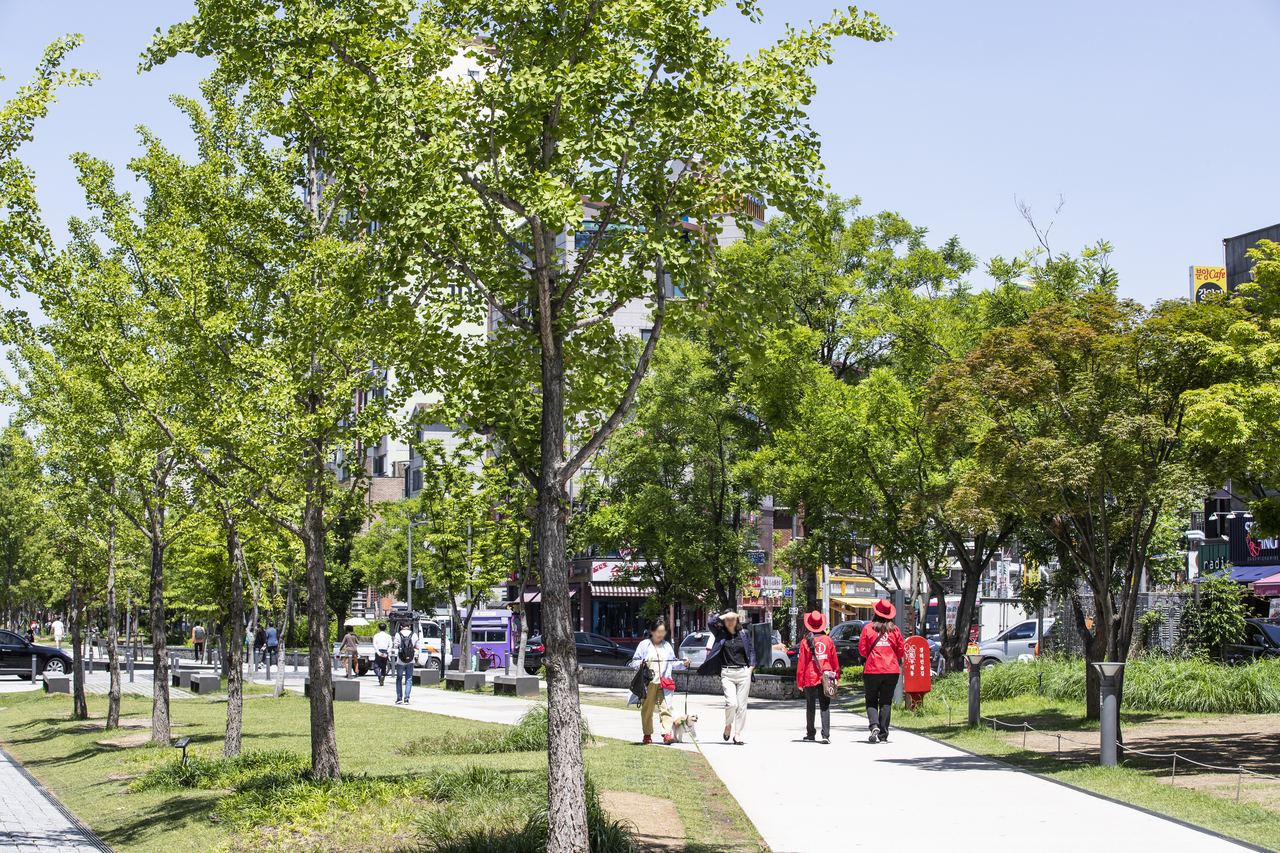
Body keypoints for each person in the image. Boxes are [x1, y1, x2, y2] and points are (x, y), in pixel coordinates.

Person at [697, 610, 755, 745]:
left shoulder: (743, 634)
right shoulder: (720, 634)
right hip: (727, 673)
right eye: (727, 619)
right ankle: (728, 724)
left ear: (737, 620)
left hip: (743, 672)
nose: (730, 622)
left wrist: (750, 667)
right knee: (731, 703)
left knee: (741, 706)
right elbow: (711, 623)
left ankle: (738, 734)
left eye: (733, 619)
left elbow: (751, 651)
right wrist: (725, 616)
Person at [628, 618, 688, 745]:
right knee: (647, 710)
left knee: (666, 708)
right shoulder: (644, 645)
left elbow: (673, 663)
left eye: (663, 631)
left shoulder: (667, 646)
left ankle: (667, 734)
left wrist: (684, 664)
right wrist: (640, 663)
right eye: (658, 631)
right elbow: (634, 662)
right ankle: (647, 734)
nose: (660, 634)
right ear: (652, 631)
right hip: (648, 683)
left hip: (664, 683)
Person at [859, 599, 905, 743]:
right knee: (886, 702)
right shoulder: (895, 630)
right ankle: (883, 735)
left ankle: (874, 725)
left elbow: (862, 650)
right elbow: (900, 652)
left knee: (871, 700)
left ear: (875, 612)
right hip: (891, 670)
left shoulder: (868, 629)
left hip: (872, 669)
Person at [796, 611, 839, 744]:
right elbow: (834, 660)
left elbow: (802, 663)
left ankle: (810, 733)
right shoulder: (828, 640)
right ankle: (825, 735)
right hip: (826, 675)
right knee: (825, 705)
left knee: (810, 706)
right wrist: (836, 675)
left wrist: (800, 681)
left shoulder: (805, 642)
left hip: (810, 677)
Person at [393, 622, 420, 705]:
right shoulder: (413, 635)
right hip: (410, 660)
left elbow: (395, 646)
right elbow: (418, 646)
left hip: (400, 660)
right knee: (409, 679)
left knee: (399, 678)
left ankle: (399, 697)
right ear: (409, 626)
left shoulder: (398, 635)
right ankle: (406, 698)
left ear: (401, 627)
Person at [371, 622, 393, 687]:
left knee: (376, 666)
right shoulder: (388, 636)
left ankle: (380, 676)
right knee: (384, 666)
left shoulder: (376, 636)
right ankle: (382, 678)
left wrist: (378, 652)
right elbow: (391, 645)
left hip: (379, 651)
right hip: (385, 651)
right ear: (385, 629)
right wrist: (387, 653)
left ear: (379, 629)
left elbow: (374, 644)